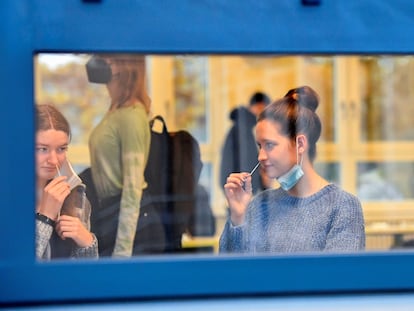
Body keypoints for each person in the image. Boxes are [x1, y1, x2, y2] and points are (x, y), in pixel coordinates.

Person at [219, 86, 365, 253]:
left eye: (270, 145)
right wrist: (238, 217)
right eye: (259, 146)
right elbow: (230, 272)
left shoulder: (342, 207)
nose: (260, 156)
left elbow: (338, 276)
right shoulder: (259, 205)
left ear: (300, 144)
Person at [86, 54, 152, 257]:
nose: (99, 62)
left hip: (126, 222)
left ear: (124, 66)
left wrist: (122, 254)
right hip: (109, 213)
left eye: (109, 59)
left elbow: (132, 190)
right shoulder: (116, 110)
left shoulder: (131, 115)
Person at [35, 104, 98, 260]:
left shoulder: (73, 195)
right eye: (42, 149)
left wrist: (87, 242)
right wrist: (45, 217)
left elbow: (87, 276)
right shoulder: (8, 200)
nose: (54, 160)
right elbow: (14, 273)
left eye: (61, 149)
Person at [220, 92, 272, 195]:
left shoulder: (249, 129)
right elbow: (228, 166)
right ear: (259, 105)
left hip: (248, 193)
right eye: (264, 109)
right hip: (240, 194)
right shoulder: (240, 130)